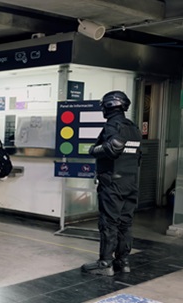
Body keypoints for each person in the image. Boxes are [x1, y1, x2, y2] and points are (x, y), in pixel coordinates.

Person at [81, 91, 142, 276]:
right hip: (130, 181)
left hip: (112, 182)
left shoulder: (112, 126)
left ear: (108, 106)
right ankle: (122, 261)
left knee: (109, 222)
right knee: (125, 223)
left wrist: (93, 150)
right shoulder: (133, 127)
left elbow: (113, 147)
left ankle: (105, 263)